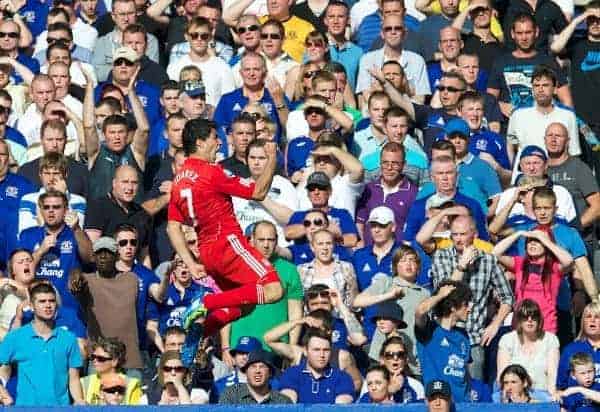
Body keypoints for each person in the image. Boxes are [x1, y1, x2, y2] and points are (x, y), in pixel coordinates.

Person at [167, 118, 282, 324]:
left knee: (244, 304)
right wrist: (272, 157)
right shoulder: (211, 171)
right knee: (273, 290)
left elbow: (173, 227)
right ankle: (206, 302)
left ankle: (202, 334)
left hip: (207, 254)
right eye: (214, 138)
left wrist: (192, 263)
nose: (219, 143)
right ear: (200, 143)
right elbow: (258, 192)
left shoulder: (177, 181)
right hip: (228, 244)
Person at [221, 221, 304, 351]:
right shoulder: (235, 267)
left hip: (275, 347)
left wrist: (292, 348)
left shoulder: (289, 270)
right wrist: (225, 347)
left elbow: (295, 312)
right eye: (261, 240)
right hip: (239, 346)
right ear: (252, 240)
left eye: (270, 240)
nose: (266, 245)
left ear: (276, 241)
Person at [0, 282, 84, 406]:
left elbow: (74, 378)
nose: (48, 305)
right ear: (32, 306)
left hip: (60, 408)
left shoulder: (68, 338)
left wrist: (79, 400)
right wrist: (3, 393)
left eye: (51, 301)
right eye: (42, 301)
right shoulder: (17, 337)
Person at [69, 237, 143, 375]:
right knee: (96, 397)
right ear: (93, 257)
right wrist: (75, 274)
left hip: (130, 359)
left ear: (117, 256)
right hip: (99, 360)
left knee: (133, 396)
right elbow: (76, 282)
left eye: (108, 252)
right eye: (99, 253)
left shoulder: (131, 279)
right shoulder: (87, 281)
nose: (103, 257)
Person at [354, 244, 431, 371]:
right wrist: (388, 295)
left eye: (412, 260)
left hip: (409, 358)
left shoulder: (424, 293)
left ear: (418, 266)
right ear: (395, 265)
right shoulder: (387, 282)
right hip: (381, 354)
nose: (408, 264)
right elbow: (358, 302)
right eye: (403, 260)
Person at [18, 189, 93, 312]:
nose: (51, 211)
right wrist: (40, 251)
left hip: (69, 309)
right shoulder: (28, 235)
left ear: (65, 210)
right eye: (46, 207)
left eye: (56, 207)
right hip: (36, 308)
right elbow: (20, 273)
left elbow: (89, 258)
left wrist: (76, 229)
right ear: (41, 210)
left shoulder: (76, 234)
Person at [487, 13, 571, 117]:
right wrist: (500, 105)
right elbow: (489, 100)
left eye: (528, 32)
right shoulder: (501, 62)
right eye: (519, 33)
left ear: (536, 32)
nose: (524, 37)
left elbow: (567, 101)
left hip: (543, 125)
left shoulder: (548, 61)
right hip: (510, 126)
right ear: (512, 34)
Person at [493, 227, 574, 333]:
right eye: (530, 240)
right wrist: (519, 233)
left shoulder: (554, 268)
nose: (532, 244)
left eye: (538, 241)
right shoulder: (520, 264)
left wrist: (545, 240)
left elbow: (569, 261)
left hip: (545, 328)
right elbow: (496, 252)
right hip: (520, 327)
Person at [213, 52, 287, 158]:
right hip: (235, 156)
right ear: (241, 72)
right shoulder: (228, 100)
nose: (251, 74)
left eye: (256, 69)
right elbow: (218, 131)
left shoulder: (275, 95)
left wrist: (279, 102)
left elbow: (288, 128)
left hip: (269, 155)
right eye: (247, 69)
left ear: (265, 73)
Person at [506, 65, 579, 165]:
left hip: (559, 175)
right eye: (536, 85)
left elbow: (574, 152)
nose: (540, 89)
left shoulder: (568, 115)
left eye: (545, 85)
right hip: (526, 176)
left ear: (554, 88)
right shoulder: (517, 115)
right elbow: (510, 146)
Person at [545, 122, 600, 253]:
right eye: (550, 135)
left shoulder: (579, 168)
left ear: (568, 141)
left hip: (579, 241)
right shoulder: (540, 169)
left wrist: (573, 227)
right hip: (548, 243)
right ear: (544, 139)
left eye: (558, 136)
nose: (553, 139)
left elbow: (597, 206)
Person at [414, 280, 472, 402]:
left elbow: (465, 373)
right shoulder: (428, 330)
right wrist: (440, 295)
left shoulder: (463, 336)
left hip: (463, 404)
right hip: (439, 404)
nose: (469, 309)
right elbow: (420, 311)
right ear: (452, 307)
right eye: (466, 304)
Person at [356, 14, 430, 107]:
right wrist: (407, 92)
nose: (393, 32)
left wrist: (380, 90)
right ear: (382, 34)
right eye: (388, 29)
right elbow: (366, 97)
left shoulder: (417, 61)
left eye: (397, 28)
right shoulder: (367, 60)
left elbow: (420, 100)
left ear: (405, 33)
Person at [550, 1, 600, 137]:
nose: (595, 23)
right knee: (583, 157)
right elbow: (555, 47)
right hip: (581, 120)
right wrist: (578, 20)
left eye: (599, 20)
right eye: (591, 19)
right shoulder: (578, 44)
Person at [355, 144, 419, 245]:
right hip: (369, 254)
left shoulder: (414, 194)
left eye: (395, 163)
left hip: (397, 255)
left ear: (403, 165)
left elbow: (415, 229)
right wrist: (363, 245)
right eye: (385, 163)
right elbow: (360, 223)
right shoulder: (368, 190)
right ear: (380, 163)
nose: (389, 168)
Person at [497, 299, 560, 400]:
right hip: (514, 394)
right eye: (525, 317)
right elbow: (502, 375)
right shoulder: (507, 340)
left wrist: (552, 398)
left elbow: (552, 376)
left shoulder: (550, 340)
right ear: (519, 320)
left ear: (539, 319)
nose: (530, 320)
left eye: (534, 317)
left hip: (541, 394)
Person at [166, 17, 235, 108]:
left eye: (204, 36)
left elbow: (229, 100)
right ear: (186, 36)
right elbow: (171, 99)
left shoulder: (222, 66)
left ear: (210, 37)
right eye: (194, 35)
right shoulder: (175, 66)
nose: (199, 39)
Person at [277, 327, 355, 403]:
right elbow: (288, 405)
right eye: (316, 350)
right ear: (305, 351)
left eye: (326, 350)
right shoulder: (291, 374)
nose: (322, 355)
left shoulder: (342, 378)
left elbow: (341, 408)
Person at [18, 153, 86, 234]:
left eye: (56, 173)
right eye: (47, 173)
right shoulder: (28, 200)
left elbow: (74, 234)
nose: (51, 179)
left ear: (65, 175)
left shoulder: (79, 201)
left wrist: (62, 197)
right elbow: (26, 235)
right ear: (40, 175)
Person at [91, 0, 159, 81]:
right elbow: (97, 73)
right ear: (113, 16)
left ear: (136, 14)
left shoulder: (150, 40)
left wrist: (117, 69)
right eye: (122, 14)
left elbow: (152, 72)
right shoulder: (102, 42)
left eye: (130, 13)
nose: (126, 19)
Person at [298, 229, 359, 309]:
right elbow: (300, 303)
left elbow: (353, 303)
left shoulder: (346, 267)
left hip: (339, 318)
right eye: (320, 244)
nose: (325, 247)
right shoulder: (302, 270)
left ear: (333, 245)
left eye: (328, 243)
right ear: (312, 247)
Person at [80, 337, 142, 405]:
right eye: (93, 357)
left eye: (100, 358)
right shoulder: (83, 382)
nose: (95, 361)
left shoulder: (132, 384)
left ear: (114, 362)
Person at [219, 349, 292, 404]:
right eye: (253, 367)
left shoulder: (283, 401)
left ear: (270, 373)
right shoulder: (231, 395)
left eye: (262, 367)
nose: (257, 371)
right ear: (246, 372)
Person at [558, 303, 600, 389]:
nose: (592, 320)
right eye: (588, 316)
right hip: (575, 401)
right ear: (583, 322)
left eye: (597, 317)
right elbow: (560, 385)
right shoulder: (570, 350)